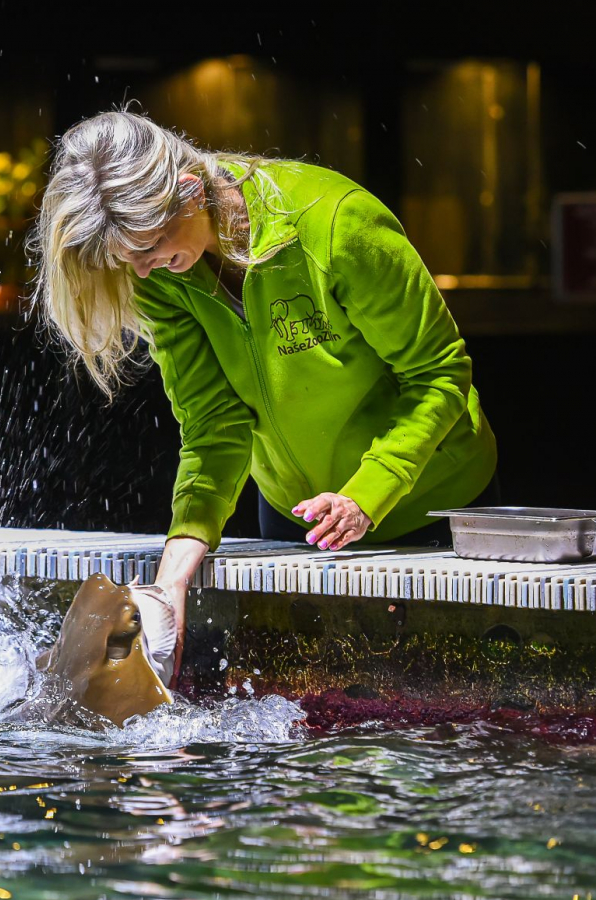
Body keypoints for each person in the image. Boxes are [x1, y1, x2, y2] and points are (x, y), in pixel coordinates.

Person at [32, 110, 498, 681]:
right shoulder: (157, 272)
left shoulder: (335, 223)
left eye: (152, 245)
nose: (146, 271)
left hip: (431, 499)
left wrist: (366, 494)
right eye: (127, 259)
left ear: (190, 190)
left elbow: (439, 373)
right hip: (296, 513)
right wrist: (172, 578)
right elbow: (213, 421)